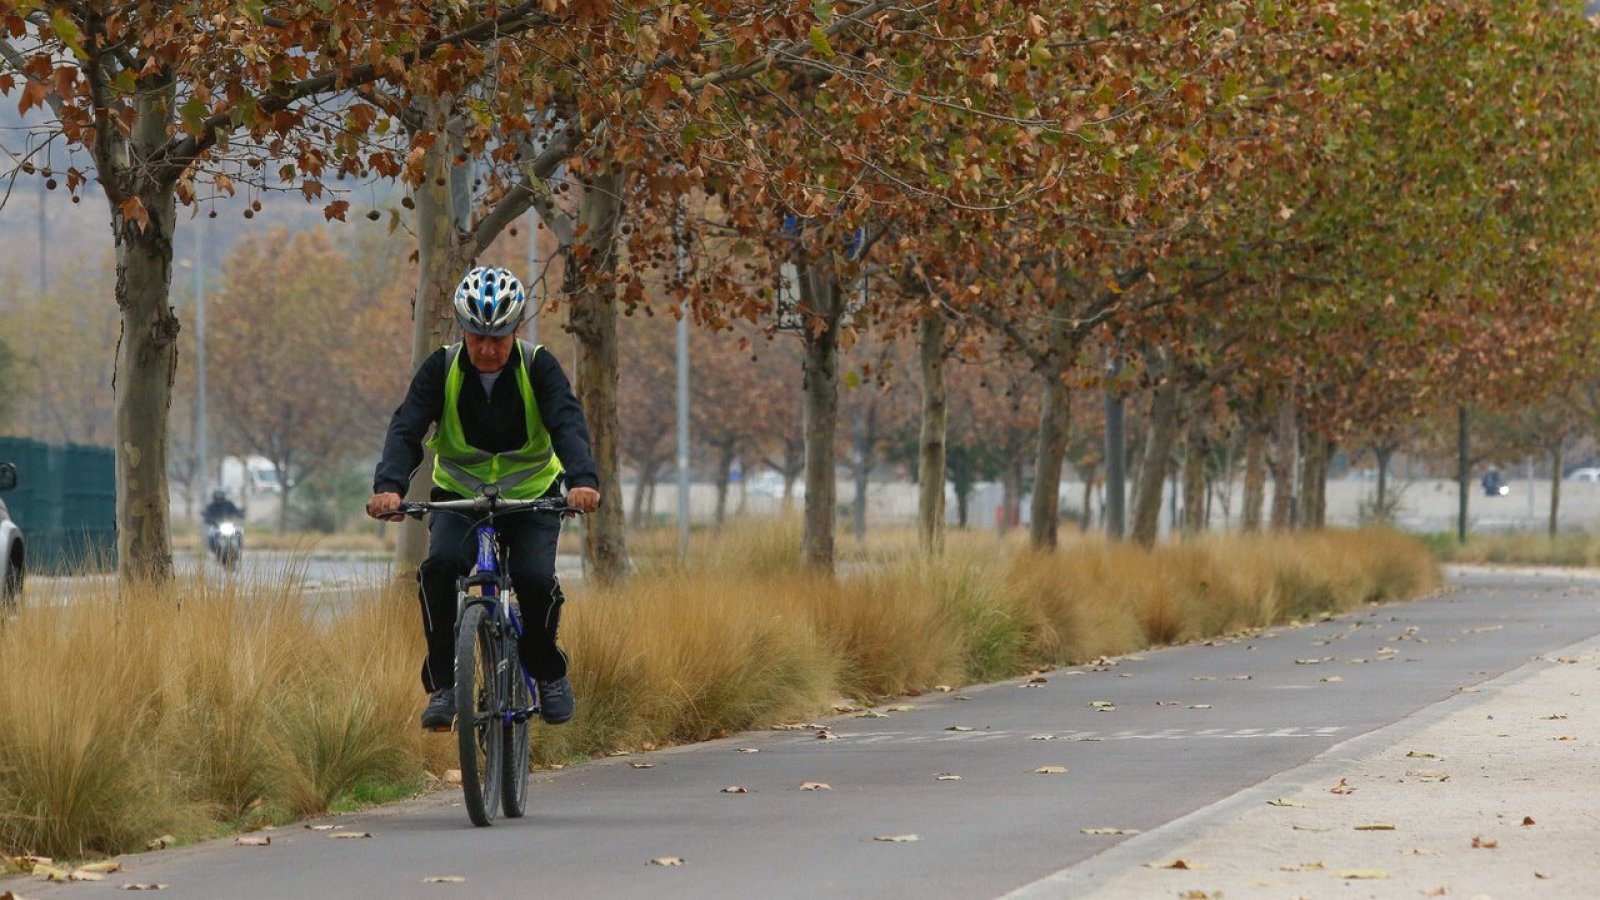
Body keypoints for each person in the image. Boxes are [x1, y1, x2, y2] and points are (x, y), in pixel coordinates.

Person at [366, 266, 601, 731]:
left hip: (531, 498)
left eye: (498, 338)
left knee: (534, 578)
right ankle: (444, 686)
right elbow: (407, 426)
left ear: (516, 330)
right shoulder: (442, 368)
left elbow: (567, 424)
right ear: (462, 331)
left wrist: (582, 481)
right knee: (437, 569)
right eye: (477, 339)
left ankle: (546, 670)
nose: (488, 350)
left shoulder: (539, 366)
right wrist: (389, 487)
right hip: (460, 495)